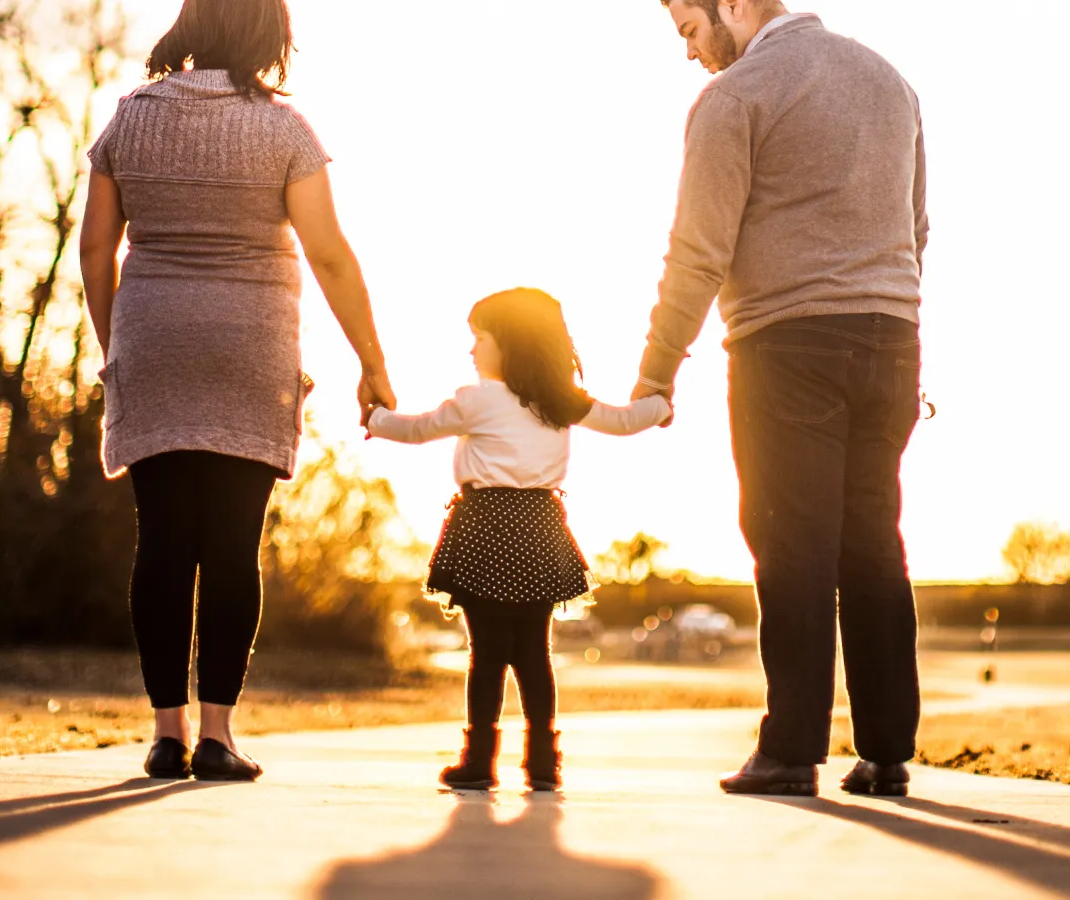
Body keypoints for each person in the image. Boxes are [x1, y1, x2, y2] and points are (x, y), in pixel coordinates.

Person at [78, 0, 396, 782]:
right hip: (250, 351)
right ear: (266, 34)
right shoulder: (285, 130)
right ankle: (218, 735)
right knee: (230, 546)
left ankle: (165, 733)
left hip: (152, 342)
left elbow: (95, 249)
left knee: (160, 542)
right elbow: (329, 256)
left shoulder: (130, 118)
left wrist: (118, 346)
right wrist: (372, 361)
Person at [636, 1, 929, 797]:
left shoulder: (737, 97)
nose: (692, 55)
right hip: (891, 339)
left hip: (786, 343)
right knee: (873, 542)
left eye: (691, 32)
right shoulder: (890, 82)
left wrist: (658, 370)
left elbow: (698, 249)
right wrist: (892, 320)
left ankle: (791, 750)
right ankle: (887, 754)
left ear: (731, 5)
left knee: (790, 543)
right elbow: (916, 227)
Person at [366, 288, 672, 791]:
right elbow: (622, 421)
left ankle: (480, 760)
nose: (471, 350)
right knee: (535, 652)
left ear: (506, 342)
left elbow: (418, 429)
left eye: (478, 338)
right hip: (539, 530)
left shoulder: (478, 398)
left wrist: (374, 418)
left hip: (485, 527)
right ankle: (543, 763)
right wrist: (659, 407)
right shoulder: (558, 399)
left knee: (485, 653)